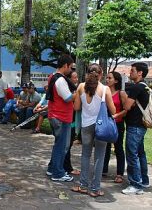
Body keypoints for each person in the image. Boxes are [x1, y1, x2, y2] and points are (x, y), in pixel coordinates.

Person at [72, 63, 116, 197]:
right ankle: (95, 188)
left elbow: (76, 108)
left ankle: (83, 185)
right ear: (101, 74)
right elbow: (113, 110)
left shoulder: (80, 87)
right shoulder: (105, 89)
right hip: (101, 126)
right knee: (99, 157)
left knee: (85, 155)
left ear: (87, 73)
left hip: (86, 125)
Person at [46, 54, 75, 182]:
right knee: (62, 146)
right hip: (61, 117)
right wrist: (78, 92)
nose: (71, 70)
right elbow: (68, 98)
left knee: (59, 144)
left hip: (56, 115)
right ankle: (58, 173)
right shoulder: (60, 80)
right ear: (65, 66)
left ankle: (52, 168)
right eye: (71, 67)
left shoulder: (53, 77)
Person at [122, 62, 150, 195]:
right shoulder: (145, 87)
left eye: (132, 70)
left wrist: (125, 100)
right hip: (142, 125)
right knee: (140, 154)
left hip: (134, 125)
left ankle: (136, 184)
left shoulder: (136, 87)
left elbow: (127, 106)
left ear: (140, 73)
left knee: (132, 155)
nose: (130, 72)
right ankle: (144, 180)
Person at [102, 71, 127, 183]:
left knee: (118, 148)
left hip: (118, 123)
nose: (107, 80)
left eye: (110, 78)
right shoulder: (104, 92)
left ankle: (120, 173)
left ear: (116, 80)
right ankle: (103, 170)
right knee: (105, 147)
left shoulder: (121, 93)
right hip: (106, 123)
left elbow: (126, 109)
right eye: (106, 78)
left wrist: (117, 115)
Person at [64, 70, 80, 175]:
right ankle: (67, 167)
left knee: (68, 144)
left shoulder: (74, 90)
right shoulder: (69, 91)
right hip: (68, 120)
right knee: (67, 145)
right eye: (74, 77)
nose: (77, 80)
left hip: (73, 121)